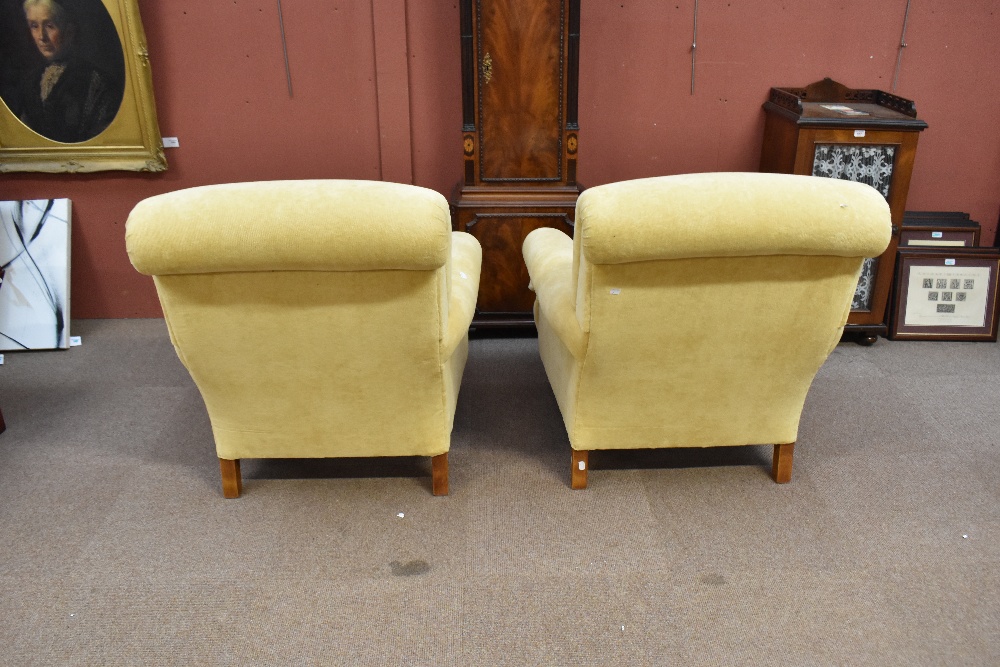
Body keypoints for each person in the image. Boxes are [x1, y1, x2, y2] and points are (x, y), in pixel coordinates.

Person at [17, 0, 122, 143]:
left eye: (49, 26)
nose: (42, 37)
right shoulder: (31, 81)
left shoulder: (95, 82)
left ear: (69, 31)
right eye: (34, 26)